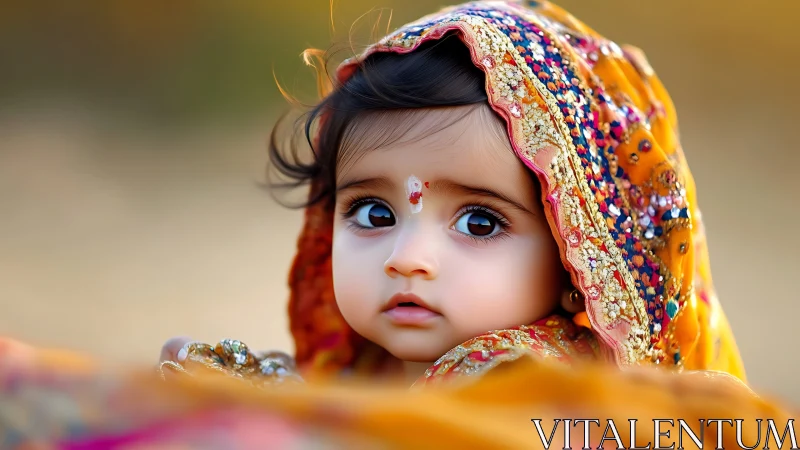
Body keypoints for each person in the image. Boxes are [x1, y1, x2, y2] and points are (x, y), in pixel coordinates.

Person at [159, 0, 746, 387]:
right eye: (373, 211)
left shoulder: (543, 389)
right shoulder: (373, 371)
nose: (407, 257)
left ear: (580, 261)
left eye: (479, 224)